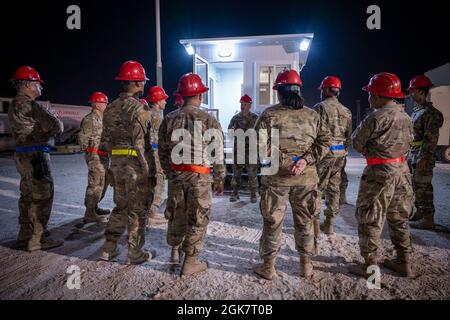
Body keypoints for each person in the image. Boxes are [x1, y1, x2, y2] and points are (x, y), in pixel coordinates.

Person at [253, 69, 331, 280]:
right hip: (306, 178)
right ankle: (306, 266)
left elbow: (258, 145)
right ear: (298, 90)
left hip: (276, 179)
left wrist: (284, 162)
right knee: (306, 221)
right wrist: (304, 161)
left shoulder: (269, 115)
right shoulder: (313, 115)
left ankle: (268, 267)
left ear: (279, 91)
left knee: (273, 222)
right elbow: (324, 142)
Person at [159, 73, 226, 276]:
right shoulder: (209, 120)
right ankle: (190, 262)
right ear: (200, 96)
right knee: (198, 217)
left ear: (181, 95)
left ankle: (174, 252)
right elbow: (217, 153)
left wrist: (170, 173)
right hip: (200, 177)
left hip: (177, 176)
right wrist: (220, 177)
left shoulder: (169, 119)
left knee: (176, 213)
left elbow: (162, 152)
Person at [349, 72, 414, 278]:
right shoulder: (406, 116)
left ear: (378, 95)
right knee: (399, 216)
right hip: (402, 172)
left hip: (380, 174)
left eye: (370, 94)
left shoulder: (375, 118)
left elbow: (356, 142)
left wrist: (371, 151)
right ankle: (404, 261)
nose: (369, 97)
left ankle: (370, 268)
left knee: (370, 217)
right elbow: (410, 143)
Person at [99, 60, 156, 265]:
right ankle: (135, 253)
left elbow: (104, 141)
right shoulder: (139, 109)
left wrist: (110, 167)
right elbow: (142, 145)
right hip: (135, 167)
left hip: (116, 164)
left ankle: (108, 248)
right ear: (139, 83)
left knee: (120, 206)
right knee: (137, 210)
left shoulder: (110, 108)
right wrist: (150, 172)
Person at [8, 66, 64, 252]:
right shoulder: (32, 105)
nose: (40, 87)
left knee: (27, 196)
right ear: (30, 85)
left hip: (22, 154)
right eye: (38, 83)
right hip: (37, 156)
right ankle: (37, 239)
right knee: (42, 195)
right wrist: (51, 124)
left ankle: (25, 236)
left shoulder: (14, 104)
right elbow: (57, 126)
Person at [313, 76, 352, 240]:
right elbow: (348, 136)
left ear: (328, 90)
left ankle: (314, 225)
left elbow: (314, 133)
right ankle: (329, 223)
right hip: (340, 154)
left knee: (316, 189)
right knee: (334, 189)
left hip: (324, 154)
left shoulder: (319, 108)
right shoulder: (347, 111)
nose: (321, 93)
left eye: (323, 90)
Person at [407, 76, 444, 230]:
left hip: (423, 156)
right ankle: (420, 213)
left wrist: (424, 156)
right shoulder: (418, 110)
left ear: (422, 92)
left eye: (413, 91)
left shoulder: (430, 113)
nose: (411, 94)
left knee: (424, 186)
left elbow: (431, 138)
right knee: (415, 185)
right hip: (413, 153)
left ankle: (428, 218)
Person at [78, 92, 111, 224]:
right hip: (95, 156)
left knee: (102, 183)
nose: (105, 105)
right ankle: (89, 213)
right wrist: (90, 153)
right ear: (96, 104)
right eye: (104, 103)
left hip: (103, 156)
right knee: (95, 184)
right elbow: (82, 138)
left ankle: (94, 207)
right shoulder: (89, 119)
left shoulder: (102, 118)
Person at [144, 86, 169, 226]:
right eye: (164, 99)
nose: (165, 102)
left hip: (148, 154)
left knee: (151, 182)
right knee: (158, 182)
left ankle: (149, 212)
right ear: (158, 101)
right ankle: (150, 213)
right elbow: (160, 139)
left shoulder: (146, 114)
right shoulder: (156, 117)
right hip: (155, 154)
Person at [228, 94, 259, 203]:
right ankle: (235, 193)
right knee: (236, 173)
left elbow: (260, 132)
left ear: (250, 105)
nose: (242, 106)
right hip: (239, 149)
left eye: (245, 104)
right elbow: (230, 131)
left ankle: (253, 194)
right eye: (241, 103)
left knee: (252, 174)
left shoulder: (256, 118)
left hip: (251, 150)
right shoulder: (235, 118)